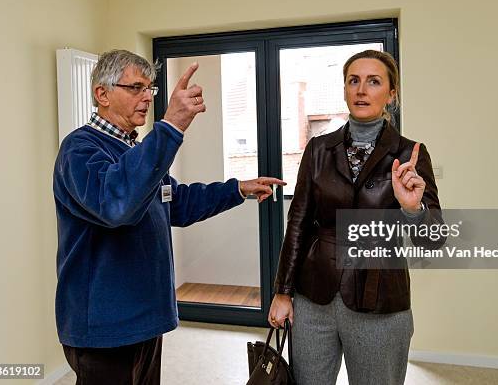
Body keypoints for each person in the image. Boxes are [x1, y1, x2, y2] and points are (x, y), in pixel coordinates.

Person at [53, 49, 284, 385]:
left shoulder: (134, 150)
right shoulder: (80, 150)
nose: (147, 97)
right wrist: (171, 125)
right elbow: (115, 205)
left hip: (145, 319)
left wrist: (237, 189)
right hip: (105, 327)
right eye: (136, 88)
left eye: (150, 89)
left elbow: (176, 201)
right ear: (102, 94)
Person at [268, 50, 444, 384]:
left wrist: (411, 209)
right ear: (346, 90)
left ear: (391, 94)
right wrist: (283, 292)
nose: (362, 89)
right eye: (354, 81)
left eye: (374, 81)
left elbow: (433, 240)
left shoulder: (410, 155)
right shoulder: (319, 149)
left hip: (379, 303)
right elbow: (298, 224)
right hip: (313, 299)